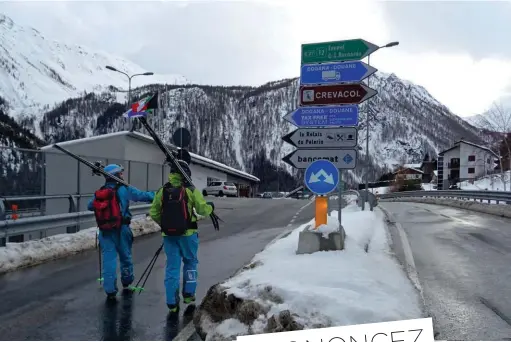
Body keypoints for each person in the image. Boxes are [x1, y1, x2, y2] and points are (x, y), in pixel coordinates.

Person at [149, 159, 214, 314]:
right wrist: (210, 207)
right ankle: (189, 295)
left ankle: (172, 302)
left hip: (169, 235)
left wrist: (165, 225)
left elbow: (154, 212)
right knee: (190, 263)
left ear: (171, 174)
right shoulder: (191, 190)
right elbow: (203, 210)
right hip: (188, 234)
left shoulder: (162, 191)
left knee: (172, 267)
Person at [88, 164, 155, 299]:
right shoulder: (124, 189)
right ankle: (126, 281)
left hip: (105, 231)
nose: (123, 175)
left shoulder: (101, 191)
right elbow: (142, 196)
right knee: (125, 257)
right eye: (121, 173)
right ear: (117, 175)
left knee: (109, 259)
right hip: (122, 229)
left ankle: (110, 289)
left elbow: (90, 206)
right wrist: (157, 195)